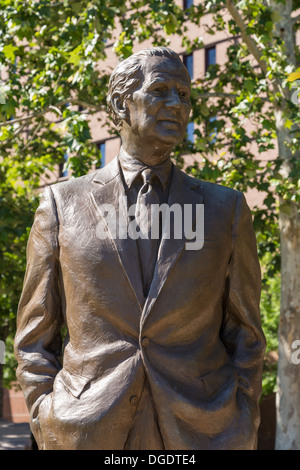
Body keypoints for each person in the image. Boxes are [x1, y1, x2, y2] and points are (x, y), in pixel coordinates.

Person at [14, 47, 266, 450]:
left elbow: (246, 332)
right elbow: (34, 333)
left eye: (184, 95)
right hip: (86, 428)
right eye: (161, 91)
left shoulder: (226, 208)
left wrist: (242, 412)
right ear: (120, 103)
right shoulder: (62, 204)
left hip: (206, 429)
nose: (176, 105)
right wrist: (45, 410)